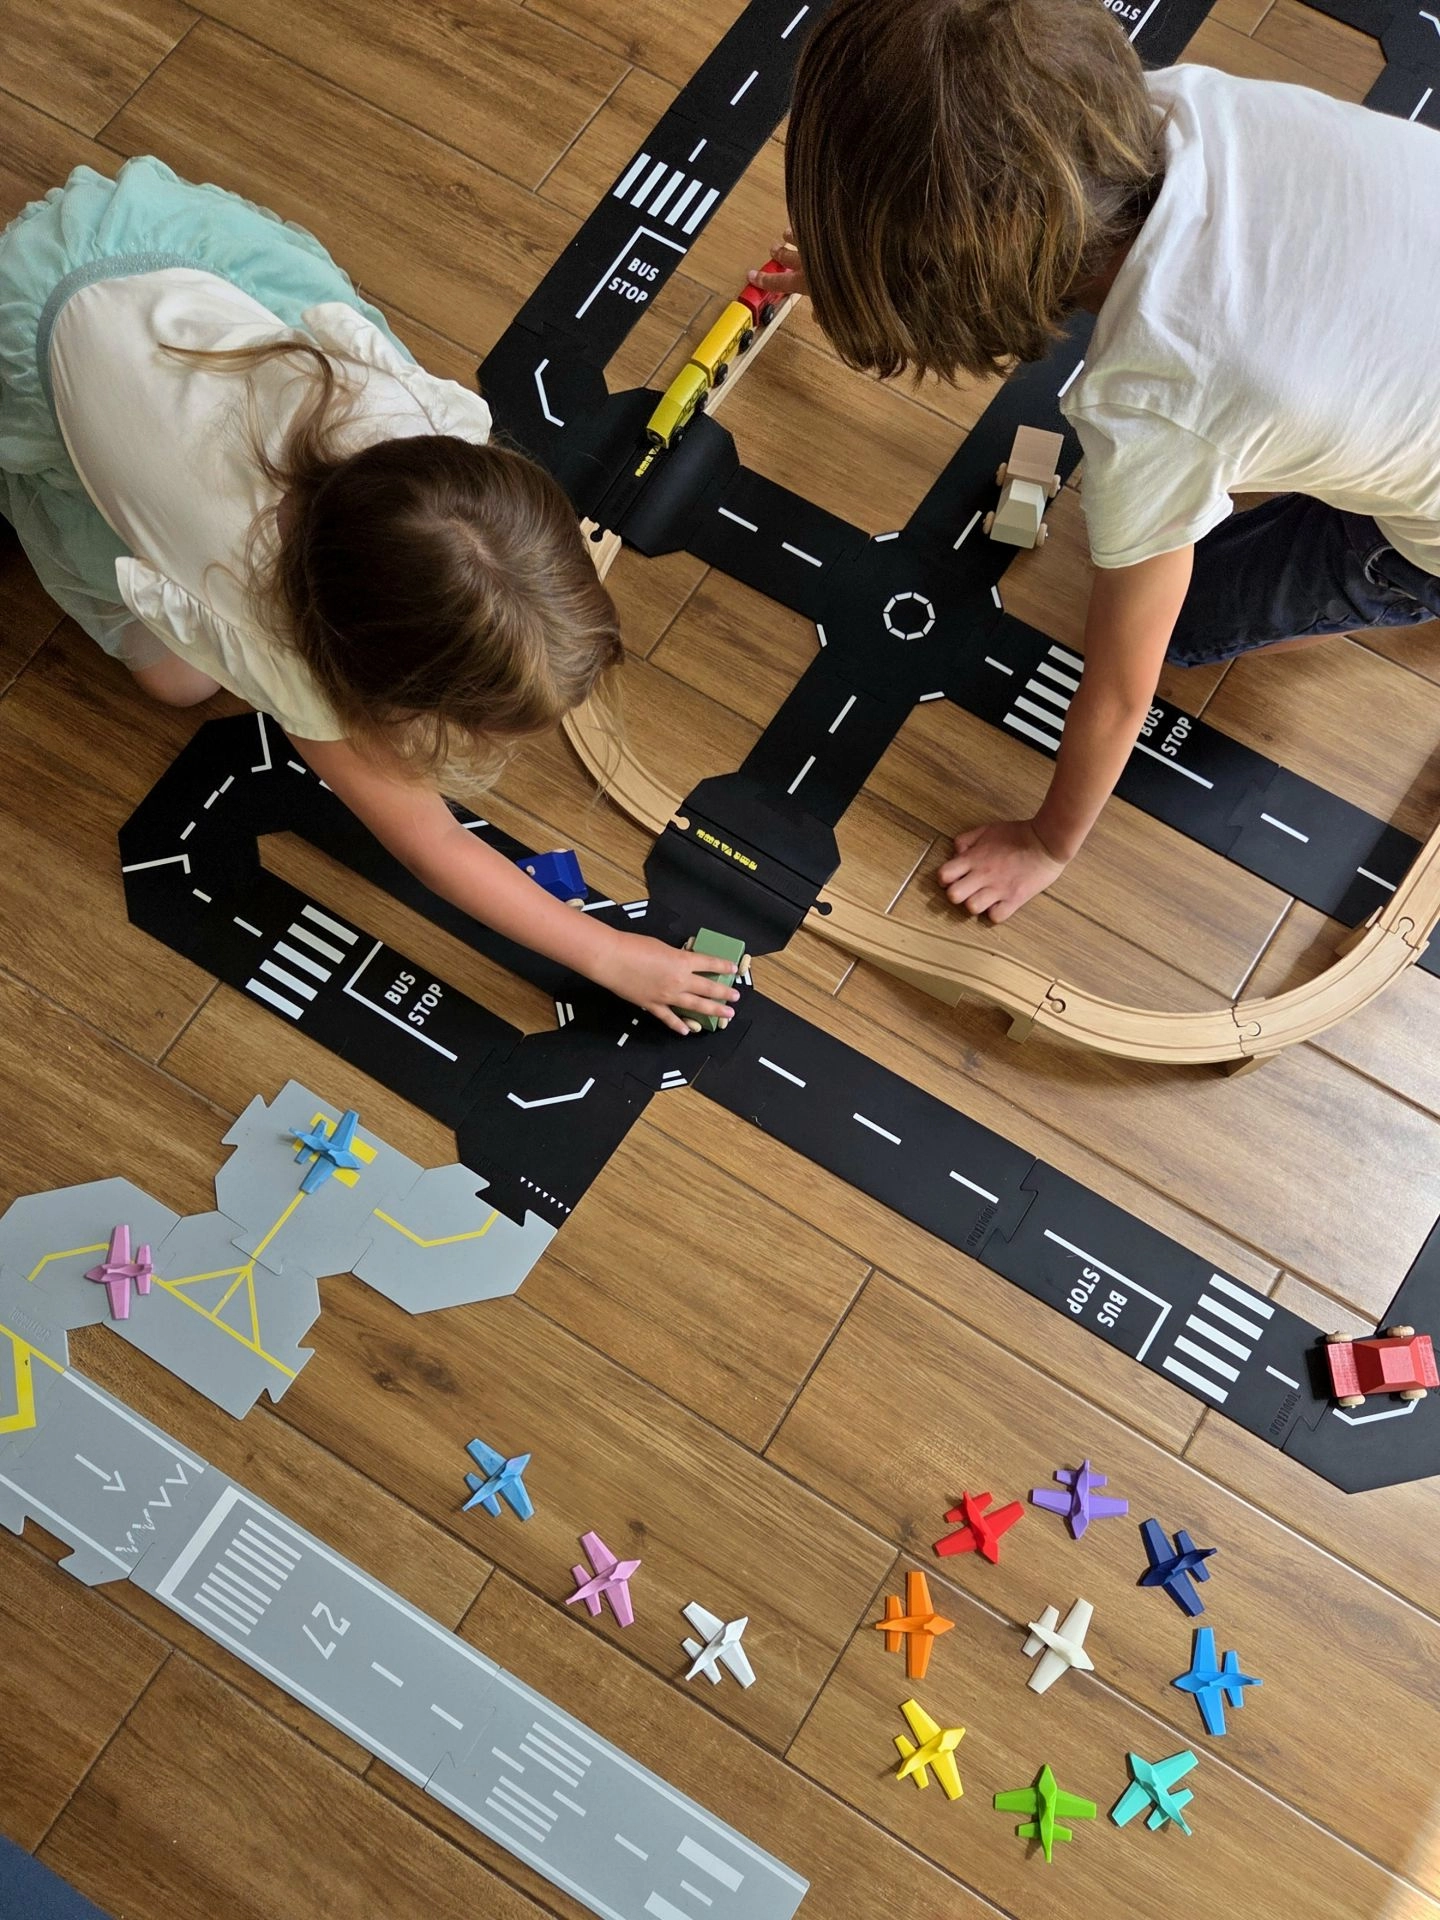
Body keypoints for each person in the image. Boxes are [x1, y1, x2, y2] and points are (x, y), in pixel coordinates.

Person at [0, 156, 738, 1031]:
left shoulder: (417, 433)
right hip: (39, 338)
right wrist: (607, 952)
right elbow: (430, 844)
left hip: (148, 257)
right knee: (179, 681)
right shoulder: (279, 644)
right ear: (357, 668)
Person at [753, 0, 1440, 923]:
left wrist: (1047, 843)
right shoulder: (1167, 104)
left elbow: (1119, 693)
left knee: (1183, 621)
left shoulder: (1153, 398)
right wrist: (873, 272)